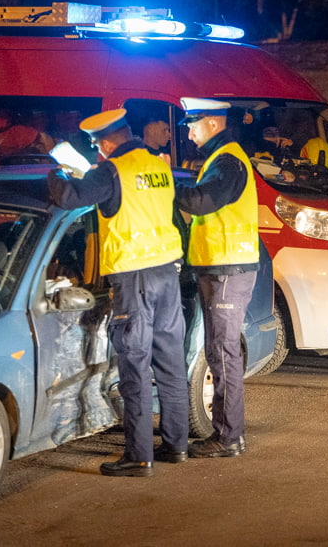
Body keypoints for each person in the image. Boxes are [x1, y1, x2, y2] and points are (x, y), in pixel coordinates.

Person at [47, 108, 190, 476]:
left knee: (135, 365)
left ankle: (139, 457)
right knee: (171, 362)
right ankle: (176, 446)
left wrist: (55, 170)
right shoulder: (158, 165)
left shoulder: (111, 171)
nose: (98, 152)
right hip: (167, 274)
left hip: (133, 279)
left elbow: (68, 196)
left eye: (97, 145)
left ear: (108, 141)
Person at [175, 97, 259, 459]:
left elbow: (200, 202)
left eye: (192, 125)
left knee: (222, 354)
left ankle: (228, 437)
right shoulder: (221, 158)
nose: (188, 132)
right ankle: (227, 434)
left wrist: (166, 185)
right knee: (218, 351)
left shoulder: (227, 161)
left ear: (212, 123)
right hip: (219, 268)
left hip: (227, 269)